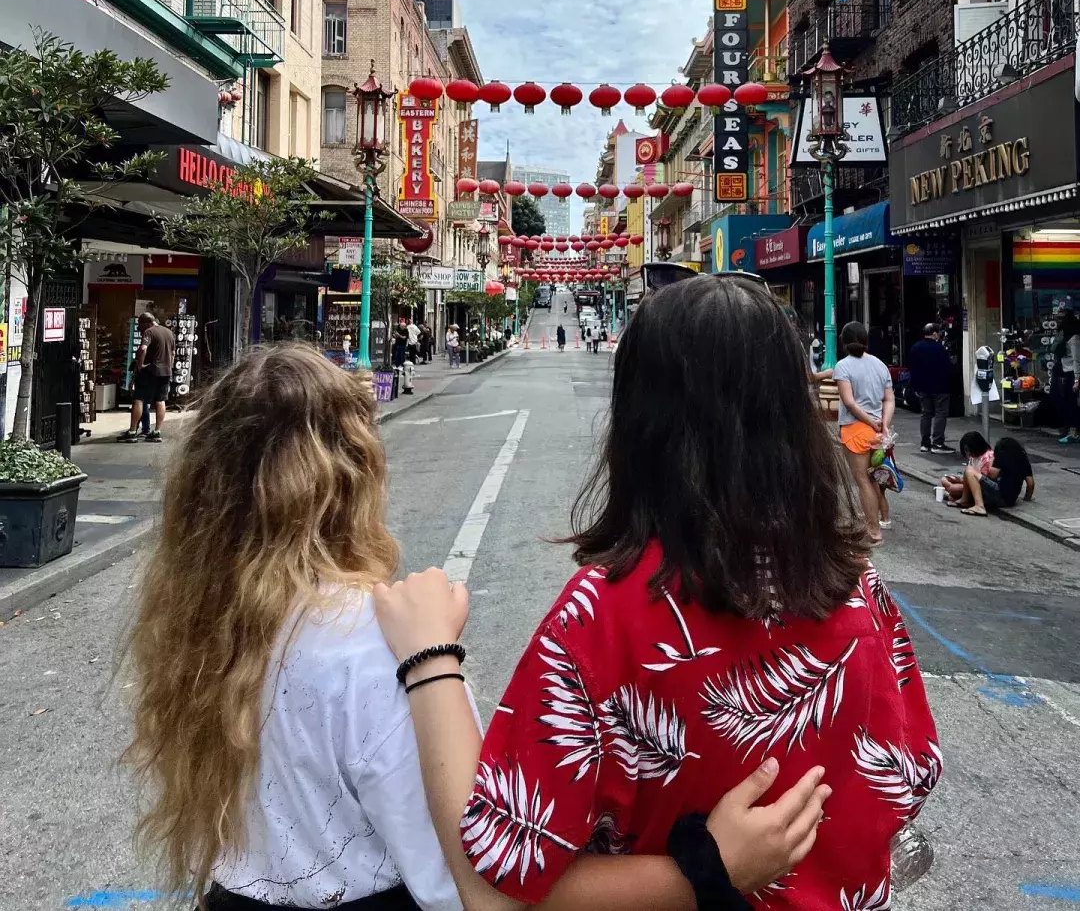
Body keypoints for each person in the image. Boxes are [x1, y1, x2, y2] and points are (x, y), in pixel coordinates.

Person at [124, 343, 834, 911]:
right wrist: (434, 663)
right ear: (355, 471)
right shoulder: (375, 644)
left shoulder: (201, 627)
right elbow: (473, 889)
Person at [375, 276, 938, 911]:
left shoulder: (602, 617)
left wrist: (430, 661)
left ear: (640, 419)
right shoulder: (858, 587)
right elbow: (907, 775)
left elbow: (494, 885)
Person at [831, 321, 895, 545]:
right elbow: (888, 399)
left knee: (862, 481)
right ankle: (874, 522)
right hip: (878, 433)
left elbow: (848, 402)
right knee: (873, 479)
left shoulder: (843, 366)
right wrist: (883, 424)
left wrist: (869, 420)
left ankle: (873, 531)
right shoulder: (880, 365)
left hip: (855, 430)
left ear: (844, 341)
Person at [952, 435, 1034, 516]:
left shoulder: (1001, 455)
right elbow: (1030, 484)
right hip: (1011, 500)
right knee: (969, 473)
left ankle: (979, 506)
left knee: (969, 471)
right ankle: (965, 500)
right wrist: (1026, 499)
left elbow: (993, 475)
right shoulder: (1023, 461)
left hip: (1000, 494)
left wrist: (981, 473)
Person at [124, 312, 175, 443]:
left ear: (145, 322)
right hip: (166, 371)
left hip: (151, 370)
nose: (140, 330)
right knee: (160, 401)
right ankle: (157, 432)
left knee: (138, 399)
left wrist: (140, 365)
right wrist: (169, 366)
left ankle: (132, 432)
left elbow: (142, 348)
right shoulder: (169, 332)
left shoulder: (149, 332)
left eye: (140, 326)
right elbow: (173, 353)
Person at [907, 323, 955, 454]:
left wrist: (915, 386)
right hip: (940, 386)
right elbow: (948, 368)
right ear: (934, 333)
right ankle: (937, 443)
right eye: (938, 333)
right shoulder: (939, 348)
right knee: (940, 413)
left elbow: (912, 368)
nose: (939, 335)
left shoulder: (915, 348)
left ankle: (925, 443)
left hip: (922, 387)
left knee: (926, 413)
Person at [940, 430, 996, 503]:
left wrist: (961, 481)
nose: (968, 453)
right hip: (969, 483)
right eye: (966, 450)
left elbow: (982, 481)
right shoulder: (973, 457)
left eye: (969, 450)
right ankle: (953, 495)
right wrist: (960, 479)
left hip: (980, 488)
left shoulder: (987, 457)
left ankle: (953, 496)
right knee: (944, 479)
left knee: (954, 488)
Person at [1051, 309, 1080, 444]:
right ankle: (1069, 429)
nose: (1058, 321)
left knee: (1072, 404)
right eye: (1057, 318)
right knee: (1066, 403)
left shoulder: (1073, 337)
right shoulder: (1062, 335)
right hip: (1064, 371)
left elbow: (1076, 359)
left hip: (1072, 374)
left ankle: (1074, 432)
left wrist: (1076, 379)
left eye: (1061, 318)